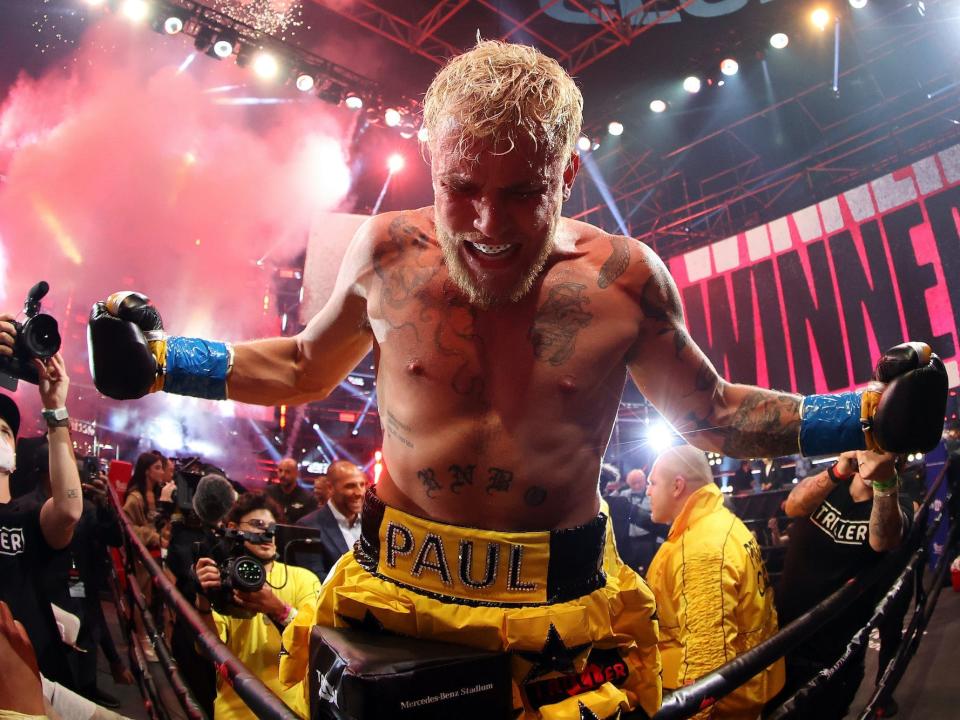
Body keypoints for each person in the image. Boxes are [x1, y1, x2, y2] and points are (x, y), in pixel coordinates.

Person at [87, 40, 946, 719]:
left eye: (523, 192)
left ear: (569, 173)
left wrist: (866, 416)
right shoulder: (388, 252)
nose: (488, 224)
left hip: (560, 612)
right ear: (431, 160)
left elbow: (714, 413)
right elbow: (306, 364)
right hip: (395, 594)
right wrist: (164, 361)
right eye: (461, 188)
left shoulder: (624, 279)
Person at [770, 450, 911, 718]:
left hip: (830, 658)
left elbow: (883, 539)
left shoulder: (898, 503)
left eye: (886, 453)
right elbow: (793, 505)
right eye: (873, 447)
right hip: (782, 638)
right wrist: (838, 469)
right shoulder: (832, 485)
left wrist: (883, 480)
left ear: (898, 462)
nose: (875, 456)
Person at [646, 445, 783, 718]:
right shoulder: (719, 523)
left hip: (723, 707)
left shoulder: (701, 549)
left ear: (677, 486)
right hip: (747, 690)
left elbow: (707, 659)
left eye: (653, 483)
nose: (648, 491)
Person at [194, 492, 320, 720]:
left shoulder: (304, 579)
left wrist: (278, 609)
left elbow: (318, 642)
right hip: (235, 711)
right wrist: (203, 598)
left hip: (292, 709)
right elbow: (207, 649)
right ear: (233, 528)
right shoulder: (225, 581)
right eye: (257, 525)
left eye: (272, 528)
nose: (267, 533)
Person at [0, 343, 82, 688]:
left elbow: (68, 508)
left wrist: (55, 410)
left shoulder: (28, 516)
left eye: (4, 432)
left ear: (14, 451)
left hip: (37, 679)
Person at [298, 460, 367, 579]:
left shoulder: (373, 522)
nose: (359, 492)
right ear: (330, 488)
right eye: (350, 486)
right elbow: (313, 579)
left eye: (362, 484)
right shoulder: (308, 526)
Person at [615, 468, 657, 572]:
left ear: (645, 480)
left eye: (639, 482)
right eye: (633, 483)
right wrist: (619, 489)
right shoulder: (624, 494)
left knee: (650, 569)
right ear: (628, 483)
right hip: (629, 541)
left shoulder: (653, 492)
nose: (637, 486)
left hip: (648, 539)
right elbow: (608, 501)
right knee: (631, 571)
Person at [122, 451, 164, 550]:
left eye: (162, 468)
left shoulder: (159, 494)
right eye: (157, 468)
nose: (162, 472)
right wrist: (152, 537)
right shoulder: (135, 498)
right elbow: (128, 528)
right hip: (142, 554)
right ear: (146, 471)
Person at [265, 457, 317, 524]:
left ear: (297, 474)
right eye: (280, 471)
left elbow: (309, 525)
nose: (282, 475)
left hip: (297, 533)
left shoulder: (308, 498)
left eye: (287, 472)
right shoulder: (268, 493)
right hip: (271, 531)